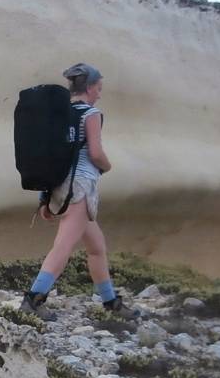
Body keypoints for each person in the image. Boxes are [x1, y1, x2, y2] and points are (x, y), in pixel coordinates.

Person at [21, 63, 136, 319]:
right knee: (62, 247)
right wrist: (107, 165)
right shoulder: (91, 114)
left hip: (60, 185)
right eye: (99, 88)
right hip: (81, 187)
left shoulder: (61, 113)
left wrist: (45, 197)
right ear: (91, 87)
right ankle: (33, 300)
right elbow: (95, 153)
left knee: (96, 247)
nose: (100, 94)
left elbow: (52, 157)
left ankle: (111, 303)